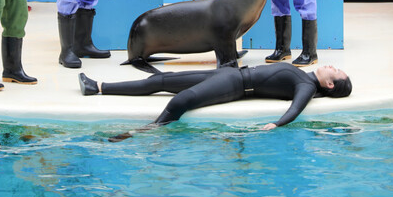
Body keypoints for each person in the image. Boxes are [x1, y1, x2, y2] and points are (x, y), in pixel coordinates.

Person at [78, 63, 351, 140]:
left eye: (337, 73)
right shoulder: (304, 75)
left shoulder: (305, 85)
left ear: (329, 84)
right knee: (162, 81)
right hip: (229, 73)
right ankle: (98, 87)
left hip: (236, 84)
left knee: (182, 99)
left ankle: (142, 132)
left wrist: (277, 124)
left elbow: (296, 108)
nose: (335, 67)